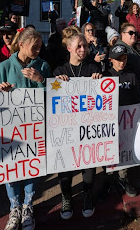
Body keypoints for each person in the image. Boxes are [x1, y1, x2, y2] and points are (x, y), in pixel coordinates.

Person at [0, 28, 51, 230]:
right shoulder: (4, 67)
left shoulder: (43, 66)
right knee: (11, 169)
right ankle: (14, 207)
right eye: (35, 47)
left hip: (34, 127)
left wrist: (41, 81)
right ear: (21, 45)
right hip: (10, 128)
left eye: (40, 47)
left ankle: (28, 206)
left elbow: (55, 92)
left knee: (32, 166)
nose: (38, 50)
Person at [53, 31, 102, 220]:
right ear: (69, 48)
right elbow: (52, 92)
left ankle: (87, 195)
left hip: (88, 128)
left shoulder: (93, 69)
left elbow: (104, 95)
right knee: (65, 164)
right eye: (79, 46)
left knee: (89, 163)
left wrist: (100, 80)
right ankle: (66, 196)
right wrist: (58, 84)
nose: (83, 49)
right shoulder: (60, 71)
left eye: (85, 46)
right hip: (67, 129)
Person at [102, 45, 140, 197]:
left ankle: (123, 178)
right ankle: (108, 179)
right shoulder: (104, 76)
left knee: (124, 150)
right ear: (111, 60)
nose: (121, 62)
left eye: (124, 59)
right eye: (118, 60)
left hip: (127, 122)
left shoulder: (132, 76)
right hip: (108, 122)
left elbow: (137, 99)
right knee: (108, 151)